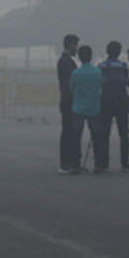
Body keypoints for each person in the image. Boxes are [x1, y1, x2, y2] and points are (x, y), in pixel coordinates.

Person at [67, 44, 106, 174]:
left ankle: (75, 165)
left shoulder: (76, 73)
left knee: (76, 137)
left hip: (78, 107)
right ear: (91, 56)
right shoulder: (97, 72)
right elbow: (101, 87)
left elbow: (71, 89)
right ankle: (99, 165)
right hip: (94, 107)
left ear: (79, 57)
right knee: (97, 137)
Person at [97, 41, 129, 170]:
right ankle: (125, 162)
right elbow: (127, 82)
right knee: (124, 134)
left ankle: (103, 162)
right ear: (119, 52)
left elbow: (99, 83)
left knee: (104, 134)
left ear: (107, 51)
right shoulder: (123, 66)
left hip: (105, 102)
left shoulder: (101, 66)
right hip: (121, 102)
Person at [56, 33, 80, 173]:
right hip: (68, 101)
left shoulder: (66, 60)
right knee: (68, 133)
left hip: (68, 100)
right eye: (76, 45)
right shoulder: (66, 62)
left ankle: (69, 162)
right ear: (71, 45)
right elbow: (70, 83)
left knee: (69, 132)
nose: (76, 49)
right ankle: (66, 163)